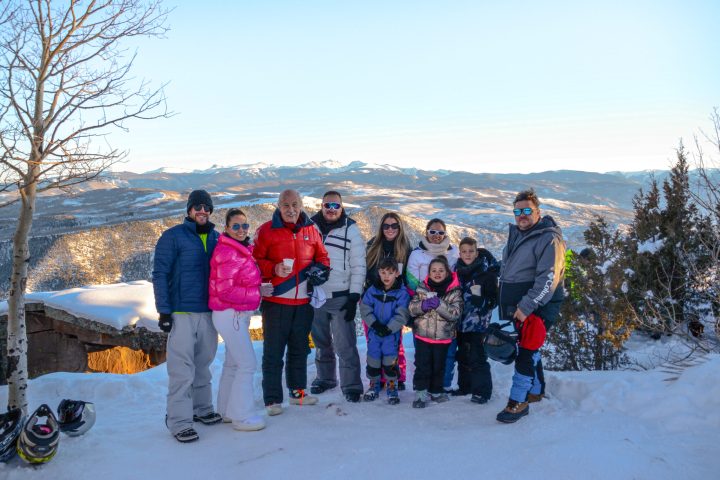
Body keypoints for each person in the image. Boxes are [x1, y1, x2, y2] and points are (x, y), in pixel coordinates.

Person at [253, 189, 330, 416]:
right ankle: (272, 400)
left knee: (299, 349)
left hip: (303, 302)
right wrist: (273, 268)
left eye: (295, 204)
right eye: (286, 205)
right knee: (273, 352)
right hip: (276, 301)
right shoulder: (266, 231)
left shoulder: (311, 230)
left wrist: (320, 271)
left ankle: (298, 393)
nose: (291, 209)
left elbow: (323, 256)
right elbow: (255, 261)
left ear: (302, 205)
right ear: (278, 206)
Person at [152, 189, 221, 443]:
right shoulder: (173, 237)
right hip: (181, 312)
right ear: (189, 210)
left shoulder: (216, 238)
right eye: (197, 206)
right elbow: (160, 274)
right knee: (182, 370)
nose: (202, 211)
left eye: (206, 207)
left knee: (204, 364)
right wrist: (164, 311)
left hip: (209, 311)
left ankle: (202, 410)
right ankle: (179, 421)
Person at [496, 189, 565, 423]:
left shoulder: (548, 238)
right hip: (520, 306)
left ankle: (518, 402)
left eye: (527, 210)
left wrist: (526, 306)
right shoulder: (519, 234)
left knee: (525, 353)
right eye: (518, 211)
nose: (521, 215)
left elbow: (548, 279)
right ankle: (536, 390)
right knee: (530, 349)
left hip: (537, 308)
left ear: (538, 212)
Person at [209, 209, 273, 431]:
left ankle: (226, 410)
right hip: (231, 314)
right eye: (235, 226)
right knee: (247, 364)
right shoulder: (229, 252)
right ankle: (242, 416)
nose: (241, 230)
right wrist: (258, 294)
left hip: (232, 314)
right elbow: (225, 290)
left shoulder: (240, 250)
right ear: (226, 228)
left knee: (233, 363)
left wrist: (257, 287)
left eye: (244, 226)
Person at [309, 191, 366, 403]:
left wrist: (354, 296)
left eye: (336, 205)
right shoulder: (310, 226)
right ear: (321, 206)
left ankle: (351, 385)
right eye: (327, 205)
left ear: (342, 207)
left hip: (342, 295)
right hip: (317, 295)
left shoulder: (350, 228)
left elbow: (359, 265)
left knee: (345, 344)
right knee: (321, 341)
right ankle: (326, 378)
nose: (331, 210)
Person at [406, 218, 460, 392]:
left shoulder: (454, 252)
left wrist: (444, 303)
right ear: (426, 232)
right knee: (423, 355)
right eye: (433, 232)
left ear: (445, 234)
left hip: (445, 310)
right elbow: (412, 282)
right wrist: (424, 300)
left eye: (440, 232)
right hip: (425, 311)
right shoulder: (417, 254)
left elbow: (456, 279)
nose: (437, 236)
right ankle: (422, 387)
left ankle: (441, 386)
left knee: (446, 354)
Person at [364, 211, 412, 390]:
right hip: (374, 299)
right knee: (374, 341)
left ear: (399, 228)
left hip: (395, 299)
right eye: (386, 226)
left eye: (394, 226)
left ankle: (396, 377)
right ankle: (377, 379)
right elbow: (365, 271)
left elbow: (410, 276)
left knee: (394, 341)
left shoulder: (405, 249)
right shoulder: (372, 246)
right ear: (381, 228)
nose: (390, 229)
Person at [408, 256, 463, 408]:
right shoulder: (422, 289)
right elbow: (411, 309)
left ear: (447, 272)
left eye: (441, 270)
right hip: (423, 336)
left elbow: (455, 313)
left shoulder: (454, 291)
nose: (437, 273)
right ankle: (421, 392)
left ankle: (436, 390)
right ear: (429, 273)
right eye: (434, 270)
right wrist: (423, 305)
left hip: (443, 338)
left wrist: (439, 305)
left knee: (439, 366)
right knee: (422, 364)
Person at [453, 237, 499, 404]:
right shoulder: (456, 270)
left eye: (471, 251)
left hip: (478, 324)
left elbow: (494, 299)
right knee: (462, 355)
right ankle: (465, 386)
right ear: (459, 253)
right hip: (459, 322)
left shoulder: (486, 274)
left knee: (477, 357)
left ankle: (482, 391)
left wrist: (484, 302)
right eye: (464, 251)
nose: (468, 254)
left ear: (477, 252)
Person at [360, 258, 411, 404]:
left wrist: (389, 328)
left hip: (390, 334)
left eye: (390, 272)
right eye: (383, 272)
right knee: (373, 358)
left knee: (390, 359)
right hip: (375, 332)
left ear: (396, 273)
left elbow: (402, 313)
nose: (386, 276)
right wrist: (374, 325)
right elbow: (365, 309)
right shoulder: (372, 290)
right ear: (379, 273)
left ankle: (392, 385)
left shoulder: (401, 292)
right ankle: (373, 384)